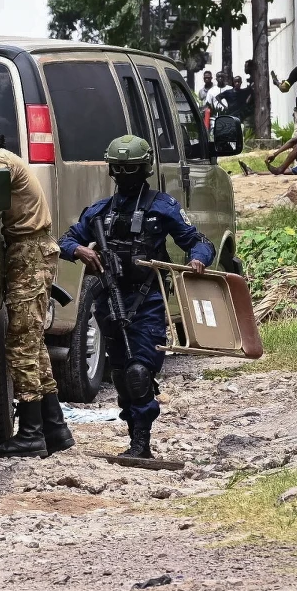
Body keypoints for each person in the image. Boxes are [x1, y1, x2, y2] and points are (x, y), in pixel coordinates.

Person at [59, 135, 215, 458]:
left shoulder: (163, 208)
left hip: (147, 304)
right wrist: (81, 252)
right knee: (119, 374)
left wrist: (197, 259)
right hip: (110, 304)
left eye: (130, 169)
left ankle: (142, 444)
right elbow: (65, 240)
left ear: (142, 170)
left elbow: (200, 242)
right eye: (120, 169)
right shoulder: (100, 213)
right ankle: (134, 436)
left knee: (139, 373)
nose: (125, 176)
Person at [0, 113, 74, 458]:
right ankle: (54, 428)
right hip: (26, 250)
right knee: (33, 343)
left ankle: (31, 433)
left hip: (28, 250)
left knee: (20, 343)